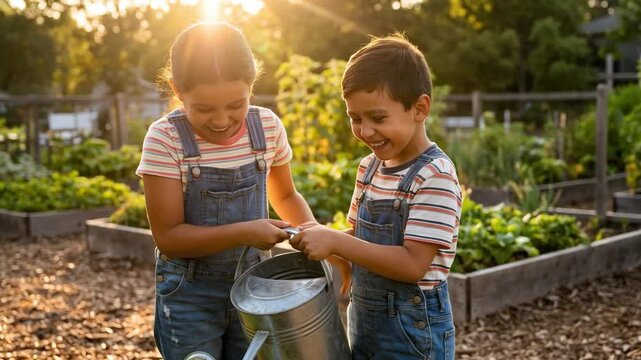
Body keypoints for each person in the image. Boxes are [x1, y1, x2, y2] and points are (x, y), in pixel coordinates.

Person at [136, 22, 316, 360]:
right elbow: (169, 237)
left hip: (254, 285)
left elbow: (286, 196)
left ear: (252, 85)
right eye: (204, 108)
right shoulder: (165, 140)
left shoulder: (266, 127)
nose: (221, 120)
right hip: (190, 292)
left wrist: (312, 235)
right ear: (177, 89)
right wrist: (246, 231)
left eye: (236, 104)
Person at [290, 34, 462, 360]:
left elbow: (413, 264)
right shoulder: (369, 167)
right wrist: (321, 243)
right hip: (365, 325)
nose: (366, 131)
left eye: (378, 118)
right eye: (355, 118)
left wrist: (337, 243)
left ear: (419, 108)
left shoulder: (434, 175)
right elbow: (358, 238)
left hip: (411, 337)